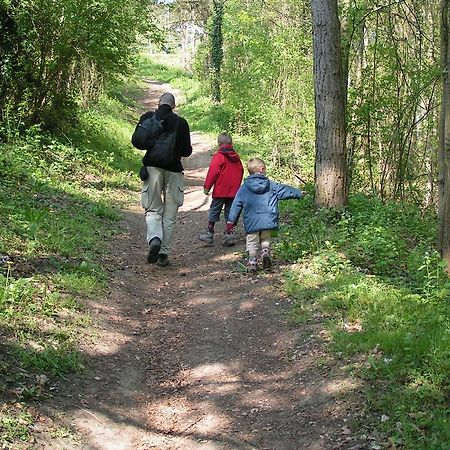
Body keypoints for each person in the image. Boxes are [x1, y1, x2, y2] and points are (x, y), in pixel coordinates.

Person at [140, 92, 192, 267]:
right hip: (174, 172)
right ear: (174, 106)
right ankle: (163, 254)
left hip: (152, 169)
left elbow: (139, 142)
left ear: (159, 103)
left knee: (153, 210)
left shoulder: (149, 117)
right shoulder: (181, 123)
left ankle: (155, 238)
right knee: (169, 216)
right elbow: (186, 152)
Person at [227, 157, 303, 272]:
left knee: (252, 241)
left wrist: (231, 221)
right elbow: (285, 190)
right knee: (265, 238)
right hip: (268, 219)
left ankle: (252, 262)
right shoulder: (271, 185)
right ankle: (265, 252)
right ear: (262, 169)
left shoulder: (244, 188)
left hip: (252, 221)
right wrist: (298, 193)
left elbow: (236, 204)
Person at [198, 133, 244, 247]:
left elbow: (213, 172)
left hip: (220, 190)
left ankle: (209, 234)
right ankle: (229, 234)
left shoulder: (219, 156)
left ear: (219, 144)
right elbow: (241, 171)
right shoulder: (236, 157)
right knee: (230, 212)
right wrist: (237, 186)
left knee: (214, 210)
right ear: (231, 144)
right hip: (233, 191)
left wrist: (207, 187)